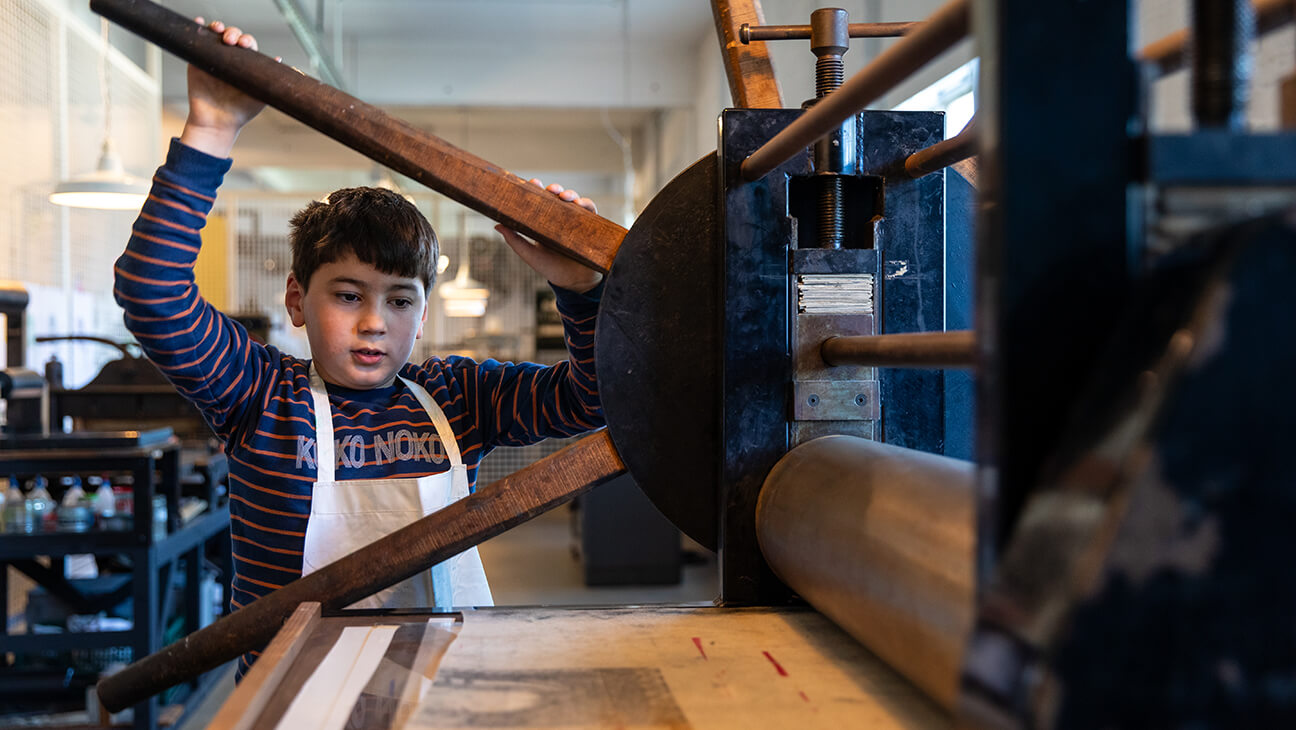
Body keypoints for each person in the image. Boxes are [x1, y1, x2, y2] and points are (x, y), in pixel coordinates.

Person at [113, 20, 605, 676]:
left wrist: (583, 290)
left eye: (399, 301)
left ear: (422, 316)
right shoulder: (260, 395)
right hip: (294, 693)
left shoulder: (460, 400)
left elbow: (595, 398)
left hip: (441, 685)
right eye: (348, 295)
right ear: (297, 300)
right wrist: (213, 125)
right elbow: (152, 292)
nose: (374, 323)